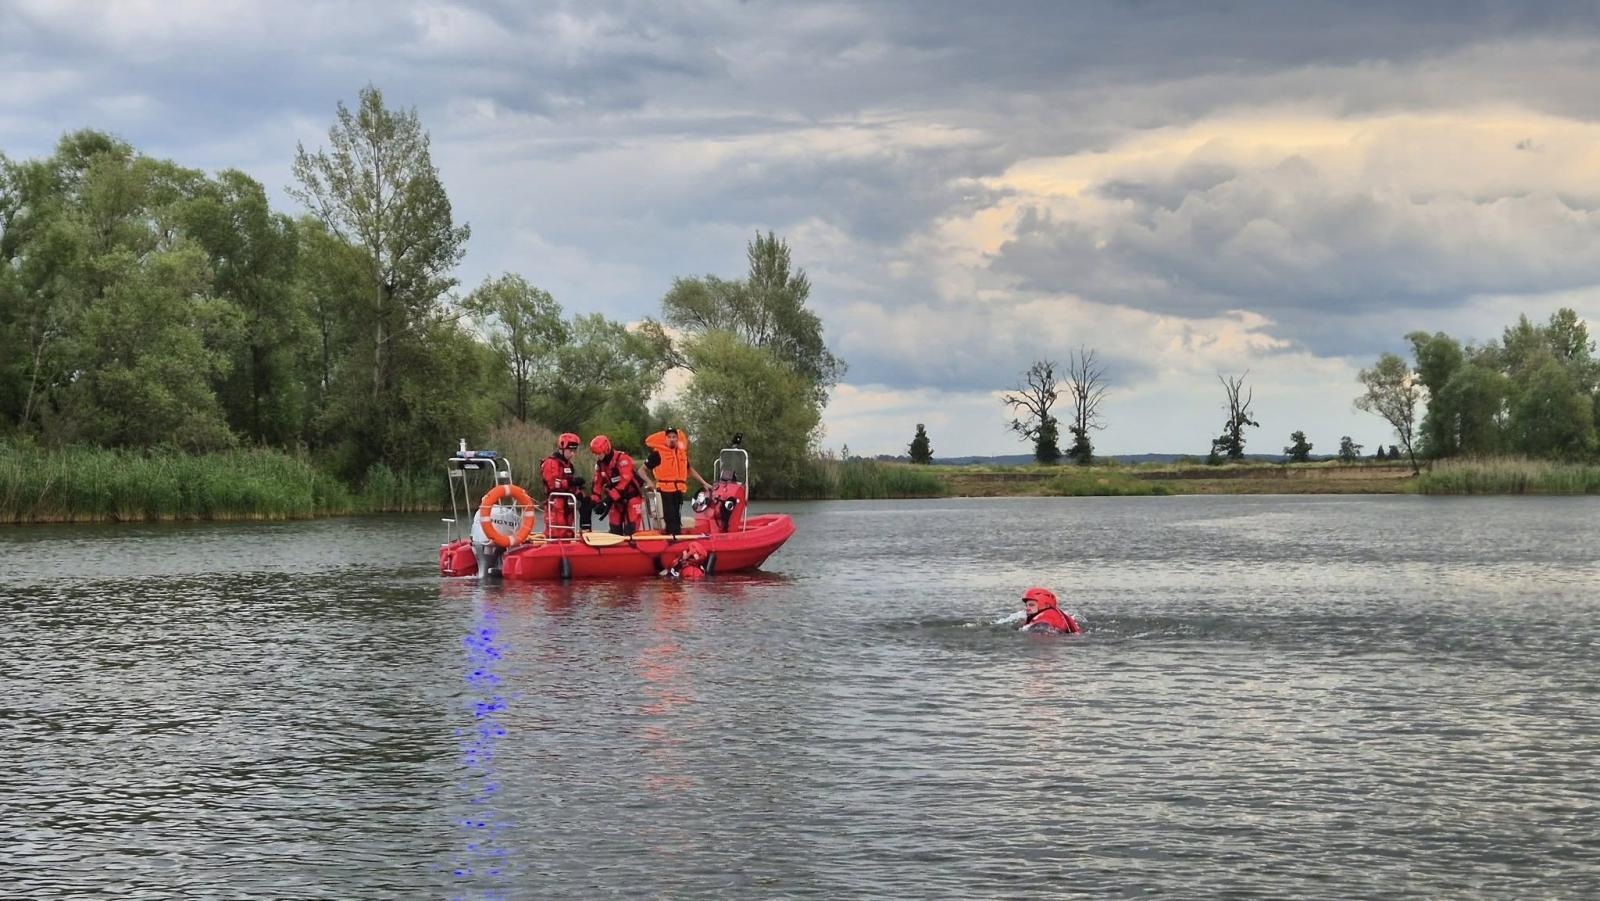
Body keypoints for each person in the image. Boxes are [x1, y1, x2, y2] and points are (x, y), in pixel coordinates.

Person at [643, 427, 711, 536]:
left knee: (676, 519)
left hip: (677, 492)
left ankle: (675, 538)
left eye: (674, 437)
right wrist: (649, 482)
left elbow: (689, 470)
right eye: (669, 437)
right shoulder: (658, 454)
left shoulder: (681, 454)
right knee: (671, 521)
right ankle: (673, 541)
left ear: (677, 439)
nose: (672, 439)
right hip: (664, 491)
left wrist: (704, 483)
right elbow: (641, 470)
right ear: (665, 439)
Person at [589, 434, 653, 536]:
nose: (597, 456)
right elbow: (597, 484)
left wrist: (606, 501)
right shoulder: (601, 465)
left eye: (598, 453)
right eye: (595, 454)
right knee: (615, 529)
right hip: (616, 501)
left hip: (631, 498)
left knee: (631, 530)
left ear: (606, 450)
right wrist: (594, 500)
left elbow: (624, 483)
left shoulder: (623, 460)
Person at [540, 432, 589, 537]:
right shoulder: (551, 463)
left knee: (568, 533)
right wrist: (571, 482)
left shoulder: (568, 465)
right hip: (556, 505)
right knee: (557, 533)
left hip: (567, 505)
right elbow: (553, 484)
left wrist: (579, 492)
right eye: (570, 451)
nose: (572, 454)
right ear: (562, 448)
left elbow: (568, 484)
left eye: (574, 451)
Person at [705, 467, 747, 534]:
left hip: (722, 513)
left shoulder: (732, 490)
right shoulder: (720, 489)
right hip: (717, 513)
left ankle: (725, 531)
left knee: (722, 514)